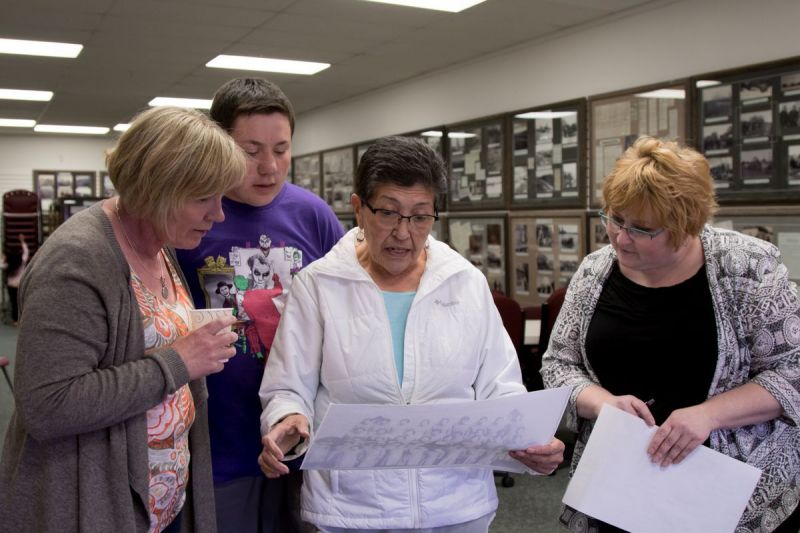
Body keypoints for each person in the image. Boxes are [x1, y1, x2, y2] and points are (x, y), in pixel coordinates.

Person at [258, 136, 565, 532]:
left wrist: (533, 439)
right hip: (352, 510)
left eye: (420, 217)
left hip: (457, 505)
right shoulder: (319, 285)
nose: (404, 233)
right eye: (388, 213)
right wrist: (288, 418)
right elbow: (287, 387)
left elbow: (501, 388)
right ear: (358, 209)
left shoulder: (464, 282)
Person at [0, 105, 246, 533]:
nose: (218, 213)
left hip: (159, 501)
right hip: (90, 504)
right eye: (202, 198)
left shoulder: (160, 243)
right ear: (155, 189)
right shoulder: (78, 260)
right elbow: (47, 406)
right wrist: (179, 361)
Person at [540, 136, 800, 533]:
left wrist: (708, 415)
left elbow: (793, 371)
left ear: (685, 225)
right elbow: (559, 365)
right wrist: (603, 403)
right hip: (620, 482)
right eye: (615, 219)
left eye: (642, 229)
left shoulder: (747, 267)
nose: (620, 238)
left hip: (729, 490)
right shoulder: (595, 271)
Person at [175, 77, 344, 533]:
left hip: (303, 433)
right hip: (220, 437)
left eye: (281, 149)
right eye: (250, 151)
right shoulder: (192, 215)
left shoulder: (314, 215)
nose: (269, 167)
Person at [5, 232, 29, 325]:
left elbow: (1, 263)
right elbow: (26, 252)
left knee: (13, 303)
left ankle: (15, 320)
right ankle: (22, 318)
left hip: (10, 286)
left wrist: (3, 257)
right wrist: (22, 241)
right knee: (20, 303)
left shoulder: (8, 264)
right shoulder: (21, 261)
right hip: (19, 285)